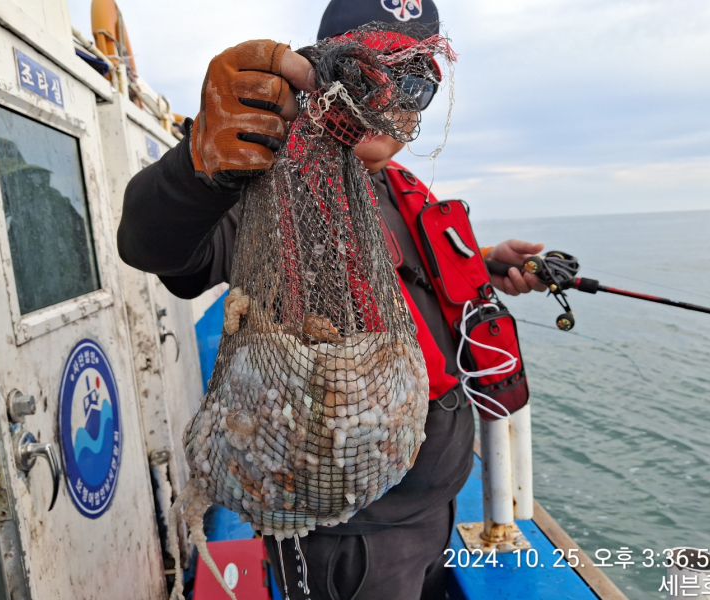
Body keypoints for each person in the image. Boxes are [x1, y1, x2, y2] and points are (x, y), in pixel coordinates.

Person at [118, 1, 546, 598]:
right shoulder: (269, 182)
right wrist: (195, 166)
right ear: (323, 69)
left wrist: (491, 263)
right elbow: (158, 249)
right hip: (346, 534)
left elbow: (419, 276)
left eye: (415, 82)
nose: (388, 98)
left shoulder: (399, 186)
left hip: (434, 504)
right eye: (368, 75)